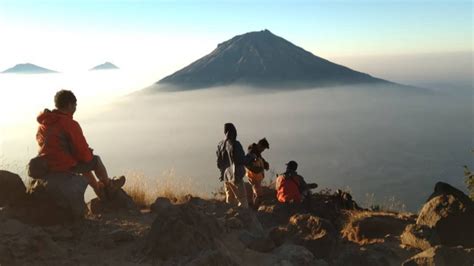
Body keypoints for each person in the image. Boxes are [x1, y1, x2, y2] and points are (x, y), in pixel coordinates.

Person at [36, 90, 125, 199]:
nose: (75, 108)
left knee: (81, 163)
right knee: (95, 161)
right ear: (69, 105)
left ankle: (99, 190)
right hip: (62, 165)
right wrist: (89, 153)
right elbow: (84, 155)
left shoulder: (44, 124)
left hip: (47, 164)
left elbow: (47, 145)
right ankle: (109, 186)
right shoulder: (69, 124)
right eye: (75, 105)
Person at [216, 123, 250, 208]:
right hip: (236, 177)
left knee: (230, 202)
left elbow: (219, 163)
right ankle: (245, 219)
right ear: (234, 131)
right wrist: (250, 157)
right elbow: (241, 160)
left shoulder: (220, 145)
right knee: (243, 201)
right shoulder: (235, 144)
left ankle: (231, 220)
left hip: (226, 177)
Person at [245, 138, 270, 207]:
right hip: (254, 176)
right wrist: (257, 169)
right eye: (262, 149)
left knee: (255, 192)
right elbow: (247, 163)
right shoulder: (252, 152)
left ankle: (253, 206)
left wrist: (265, 164)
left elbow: (260, 159)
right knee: (259, 195)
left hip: (255, 176)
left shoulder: (256, 152)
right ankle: (255, 209)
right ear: (259, 145)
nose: (262, 151)